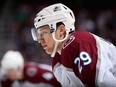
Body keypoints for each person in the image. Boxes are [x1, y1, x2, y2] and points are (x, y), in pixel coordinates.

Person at [31, 3, 116, 87]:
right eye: (38, 35)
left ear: (61, 30)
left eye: (44, 33)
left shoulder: (76, 43)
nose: (40, 40)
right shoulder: (57, 62)